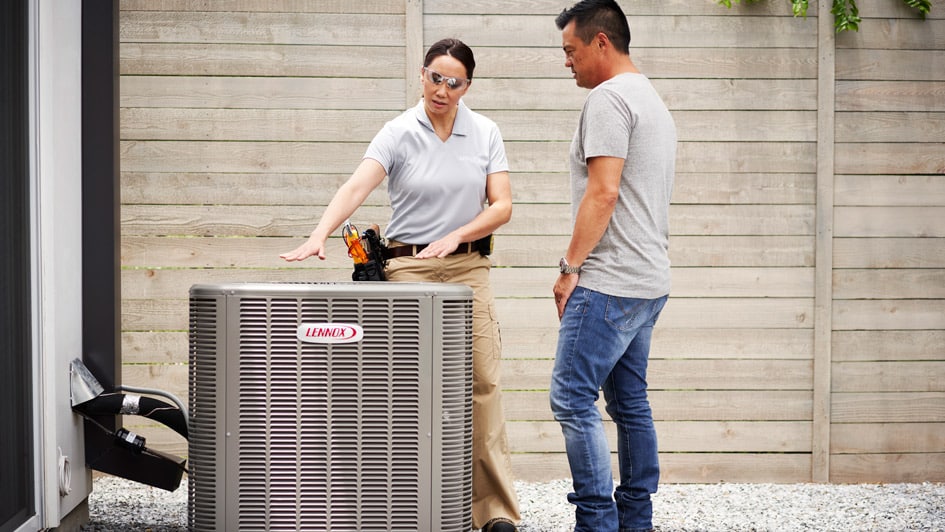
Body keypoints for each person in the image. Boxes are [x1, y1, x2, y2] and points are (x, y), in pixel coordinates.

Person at [280, 38, 521, 532]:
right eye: (435, 77)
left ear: (467, 86)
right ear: (422, 74)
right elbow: (355, 186)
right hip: (407, 269)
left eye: (453, 82)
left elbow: (502, 206)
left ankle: (494, 513)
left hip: (468, 269)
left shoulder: (485, 132)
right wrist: (318, 235)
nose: (442, 89)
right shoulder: (397, 131)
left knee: (482, 385)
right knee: (401, 390)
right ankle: (400, 502)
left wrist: (456, 234)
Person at [548, 1, 677, 531]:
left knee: (571, 397)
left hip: (608, 282)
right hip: (648, 281)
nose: (567, 63)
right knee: (629, 401)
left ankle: (596, 523)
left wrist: (568, 266)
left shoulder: (608, 99)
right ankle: (635, 520)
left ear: (602, 43)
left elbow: (603, 194)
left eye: (571, 51)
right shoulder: (652, 100)